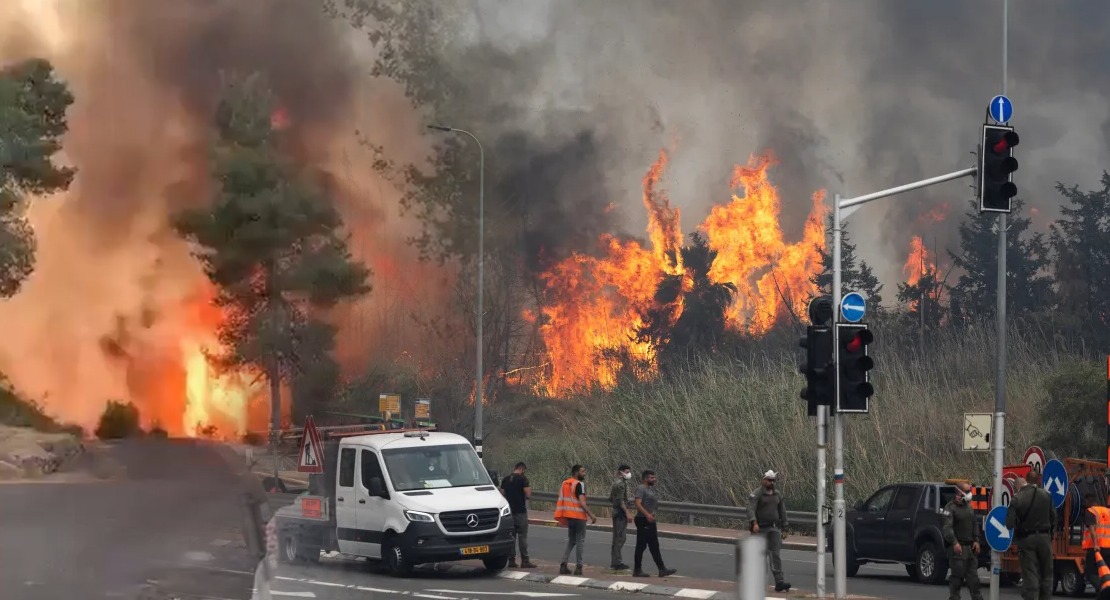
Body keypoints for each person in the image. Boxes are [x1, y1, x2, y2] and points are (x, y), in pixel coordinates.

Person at [1005, 473, 1057, 600]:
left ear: (1017, 487)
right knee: (1047, 574)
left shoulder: (1017, 498)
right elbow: (1054, 518)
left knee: (1030, 575)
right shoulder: (1047, 495)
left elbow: (1009, 524)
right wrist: (1050, 535)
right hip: (1045, 539)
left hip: (1027, 540)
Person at [748, 470, 791, 592]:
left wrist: (785, 526)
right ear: (763, 480)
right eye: (769, 480)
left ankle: (779, 582)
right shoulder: (756, 494)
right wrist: (754, 523)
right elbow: (750, 509)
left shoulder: (777, 494)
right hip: (760, 529)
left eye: (773, 480)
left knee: (775, 555)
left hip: (774, 528)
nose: (771, 482)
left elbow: (782, 511)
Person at [942, 481, 983, 600]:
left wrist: (976, 540)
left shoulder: (969, 506)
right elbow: (947, 528)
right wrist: (954, 542)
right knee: (957, 578)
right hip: (958, 549)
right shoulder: (950, 508)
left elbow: (974, 523)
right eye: (967, 491)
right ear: (959, 492)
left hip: (970, 549)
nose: (970, 493)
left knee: (974, 579)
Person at [632, 470, 677, 578]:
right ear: (645, 478)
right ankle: (637, 570)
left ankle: (662, 569)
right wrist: (647, 514)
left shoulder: (650, 489)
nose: (654, 479)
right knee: (641, 545)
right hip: (643, 520)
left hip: (650, 520)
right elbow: (637, 504)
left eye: (654, 477)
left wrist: (652, 513)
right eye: (651, 478)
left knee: (654, 545)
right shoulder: (641, 488)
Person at [554, 464, 596, 575]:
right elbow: (582, 502)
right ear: (576, 473)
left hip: (569, 516)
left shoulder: (565, 483)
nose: (584, 473)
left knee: (571, 541)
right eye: (582, 471)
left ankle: (563, 564)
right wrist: (591, 515)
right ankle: (579, 567)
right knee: (580, 541)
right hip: (579, 517)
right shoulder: (579, 484)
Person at [500, 462, 536, 568]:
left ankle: (511, 560)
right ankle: (525, 561)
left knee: (512, 537)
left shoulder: (505, 479)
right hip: (520, 512)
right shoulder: (523, 479)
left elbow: (501, 494)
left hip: (509, 512)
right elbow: (528, 495)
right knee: (522, 537)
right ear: (522, 469)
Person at [1081, 492, 1110, 592]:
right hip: (1108, 548)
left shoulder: (1090, 511)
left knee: (1090, 573)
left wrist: (1096, 545)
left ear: (1088, 501)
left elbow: (1092, 530)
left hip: (1096, 549)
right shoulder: (1107, 511)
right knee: (1106, 572)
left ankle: (1103, 589)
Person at [609, 464, 635, 571]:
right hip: (620, 513)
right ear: (621, 472)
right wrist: (627, 513)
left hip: (617, 511)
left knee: (618, 538)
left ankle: (615, 562)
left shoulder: (619, 483)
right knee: (620, 538)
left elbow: (611, 498)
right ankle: (616, 563)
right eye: (626, 472)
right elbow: (620, 501)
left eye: (629, 472)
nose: (629, 474)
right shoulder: (620, 484)